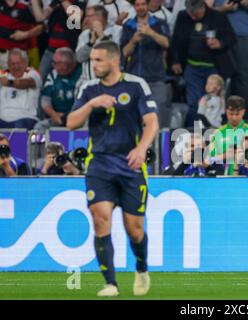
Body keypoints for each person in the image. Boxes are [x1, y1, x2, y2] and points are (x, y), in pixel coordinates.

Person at [66, 41, 160, 297]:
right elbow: (71, 123)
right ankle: (111, 283)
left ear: (114, 61)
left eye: (98, 60)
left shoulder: (135, 85)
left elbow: (151, 122)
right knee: (100, 219)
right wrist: (91, 104)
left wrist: (141, 149)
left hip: (130, 165)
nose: (93, 64)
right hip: (99, 165)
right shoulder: (89, 89)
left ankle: (141, 267)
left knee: (135, 230)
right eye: (92, 60)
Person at [169, 0, 236, 127]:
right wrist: (175, 61)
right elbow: (176, 41)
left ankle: (213, 131)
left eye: (195, 13)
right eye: (191, 13)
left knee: (214, 102)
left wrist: (220, 43)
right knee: (194, 103)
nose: (193, 16)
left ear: (203, 6)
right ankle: (194, 131)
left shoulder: (218, 17)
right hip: (192, 67)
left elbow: (231, 38)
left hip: (213, 67)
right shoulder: (183, 16)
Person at [121, 0, 172, 129]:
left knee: (158, 118)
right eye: (137, 5)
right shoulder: (128, 25)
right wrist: (133, 41)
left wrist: (151, 33)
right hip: (134, 79)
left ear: (148, 5)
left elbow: (167, 44)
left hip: (156, 78)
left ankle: (160, 148)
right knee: (133, 118)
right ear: (134, 6)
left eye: (143, 4)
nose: (140, 7)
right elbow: (124, 53)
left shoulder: (159, 23)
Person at [212, 0, 248, 105]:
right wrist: (223, 9)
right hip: (220, 34)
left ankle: (239, 112)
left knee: (243, 75)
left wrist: (247, 3)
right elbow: (204, 11)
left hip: (242, 34)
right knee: (218, 75)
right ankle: (217, 113)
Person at [75, 5, 123, 93]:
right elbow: (79, 58)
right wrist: (91, 42)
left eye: (89, 16)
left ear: (100, 17)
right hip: (88, 84)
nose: (86, 19)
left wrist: (102, 36)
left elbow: (116, 54)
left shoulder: (117, 30)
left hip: (112, 84)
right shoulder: (85, 34)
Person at [209, 95, 248, 176]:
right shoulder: (218, 132)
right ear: (226, 111)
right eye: (231, 114)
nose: (234, 117)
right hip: (222, 178)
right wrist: (225, 156)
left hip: (247, 177)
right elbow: (209, 159)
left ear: (243, 111)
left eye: (237, 114)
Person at [35, 47, 82, 132]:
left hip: (78, 118)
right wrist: (54, 114)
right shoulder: (53, 74)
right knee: (39, 127)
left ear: (65, 64)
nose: (52, 65)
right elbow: (45, 99)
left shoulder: (82, 75)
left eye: (55, 63)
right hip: (57, 117)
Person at [0, 49, 42, 130]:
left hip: (25, 117)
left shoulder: (33, 74)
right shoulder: (4, 76)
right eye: (12, 64)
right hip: (3, 118)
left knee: (19, 129)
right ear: (8, 65)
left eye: (18, 63)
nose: (16, 67)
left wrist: (9, 83)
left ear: (25, 63)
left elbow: (26, 83)